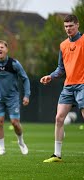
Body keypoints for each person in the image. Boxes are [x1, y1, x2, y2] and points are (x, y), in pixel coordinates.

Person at [41, 14, 84, 163]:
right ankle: (57, 155)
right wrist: (51, 76)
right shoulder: (63, 45)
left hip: (83, 85)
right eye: (66, 26)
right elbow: (61, 68)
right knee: (59, 118)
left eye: (71, 25)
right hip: (68, 86)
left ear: (77, 25)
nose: (68, 29)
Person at [0, 40, 30, 156]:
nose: (0, 49)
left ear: (6, 49)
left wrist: (26, 95)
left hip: (12, 98)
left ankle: (21, 142)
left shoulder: (14, 64)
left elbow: (25, 78)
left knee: (15, 123)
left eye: (2, 47)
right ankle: (2, 148)